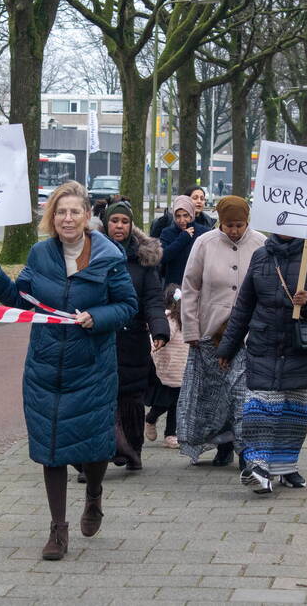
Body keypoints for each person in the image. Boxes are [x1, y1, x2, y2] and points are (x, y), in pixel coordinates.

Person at [0, 181, 138, 561]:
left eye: (75, 212)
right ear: (53, 217)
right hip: (46, 368)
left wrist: (95, 317)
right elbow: (20, 300)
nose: (67, 218)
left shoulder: (108, 256)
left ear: (86, 217)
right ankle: (57, 530)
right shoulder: (40, 254)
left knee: (95, 445)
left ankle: (94, 496)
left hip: (92, 366)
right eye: (61, 212)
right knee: (51, 449)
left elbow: (127, 305)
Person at [217, 233, 307, 493]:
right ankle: (258, 468)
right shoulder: (262, 256)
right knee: (259, 408)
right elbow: (244, 305)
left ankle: (286, 468)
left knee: (294, 413)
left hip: (303, 350)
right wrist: (228, 346)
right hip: (264, 346)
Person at [176, 195, 266, 467]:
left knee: (242, 393)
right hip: (210, 332)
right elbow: (190, 287)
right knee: (215, 395)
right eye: (229, 225)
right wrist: (190, 328)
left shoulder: (262, 244)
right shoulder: (204, 244)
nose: (234, 230)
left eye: (239, 225)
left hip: (249, 333)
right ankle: (223, 443)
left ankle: (245, 449)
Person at [103, 200, 169, 472]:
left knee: (131, 397)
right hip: (101, 338)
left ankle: (132, 449)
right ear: (106, 223)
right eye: (114, 221)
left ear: (131, 226)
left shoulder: (144, 261)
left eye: (124, 221)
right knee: (104, 396)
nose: (119, 226)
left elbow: (152, 298)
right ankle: (103, 452)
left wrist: (159, 328)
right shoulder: (91, 254)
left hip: (133, 340)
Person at [146, 284, 186, 448]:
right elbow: (162, 337)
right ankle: (150, 418)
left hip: (181, 367)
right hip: (169, 367)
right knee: (165, 401)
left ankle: (170, 434)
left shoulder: (186, 319)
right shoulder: (169, 320)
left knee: (177, 403)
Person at [159, 194, 210, 286]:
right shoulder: (167, 233)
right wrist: (183, 238)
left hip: (196, 285)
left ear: (191, 214)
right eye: (178, 216)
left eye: (185, 215)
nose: (182, 220)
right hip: (174, 286)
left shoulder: (203, 232)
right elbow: (163, 257)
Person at [150, 185, 216, 238]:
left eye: (202, 199)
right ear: (186, 200)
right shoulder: (166, 221)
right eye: (195, 198)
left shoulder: (209, 222)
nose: (199, 201)